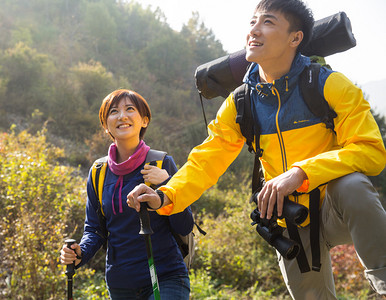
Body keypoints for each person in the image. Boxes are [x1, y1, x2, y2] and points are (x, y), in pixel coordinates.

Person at [127, 0, 386, 299]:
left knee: (352, 185)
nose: (254, 29)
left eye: (268, 22)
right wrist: (165, 196)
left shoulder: (329, 86)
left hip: (335, 210)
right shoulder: (241, 103)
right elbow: (205, 161)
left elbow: (371, 151)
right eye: (252, 22)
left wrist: (300, 173)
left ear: (295, 38)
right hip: (290, 222)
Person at [60, 89, 193, 299]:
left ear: (144, 121)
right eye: (113, 111)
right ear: (106, 126)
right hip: (121, 284)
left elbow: (185, 225)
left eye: (130, 109)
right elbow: (94, 229)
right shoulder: (98, 172)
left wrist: (166, 182)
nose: (122, 116)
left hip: (165, 278)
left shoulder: (161, 163)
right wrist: (80, 253)